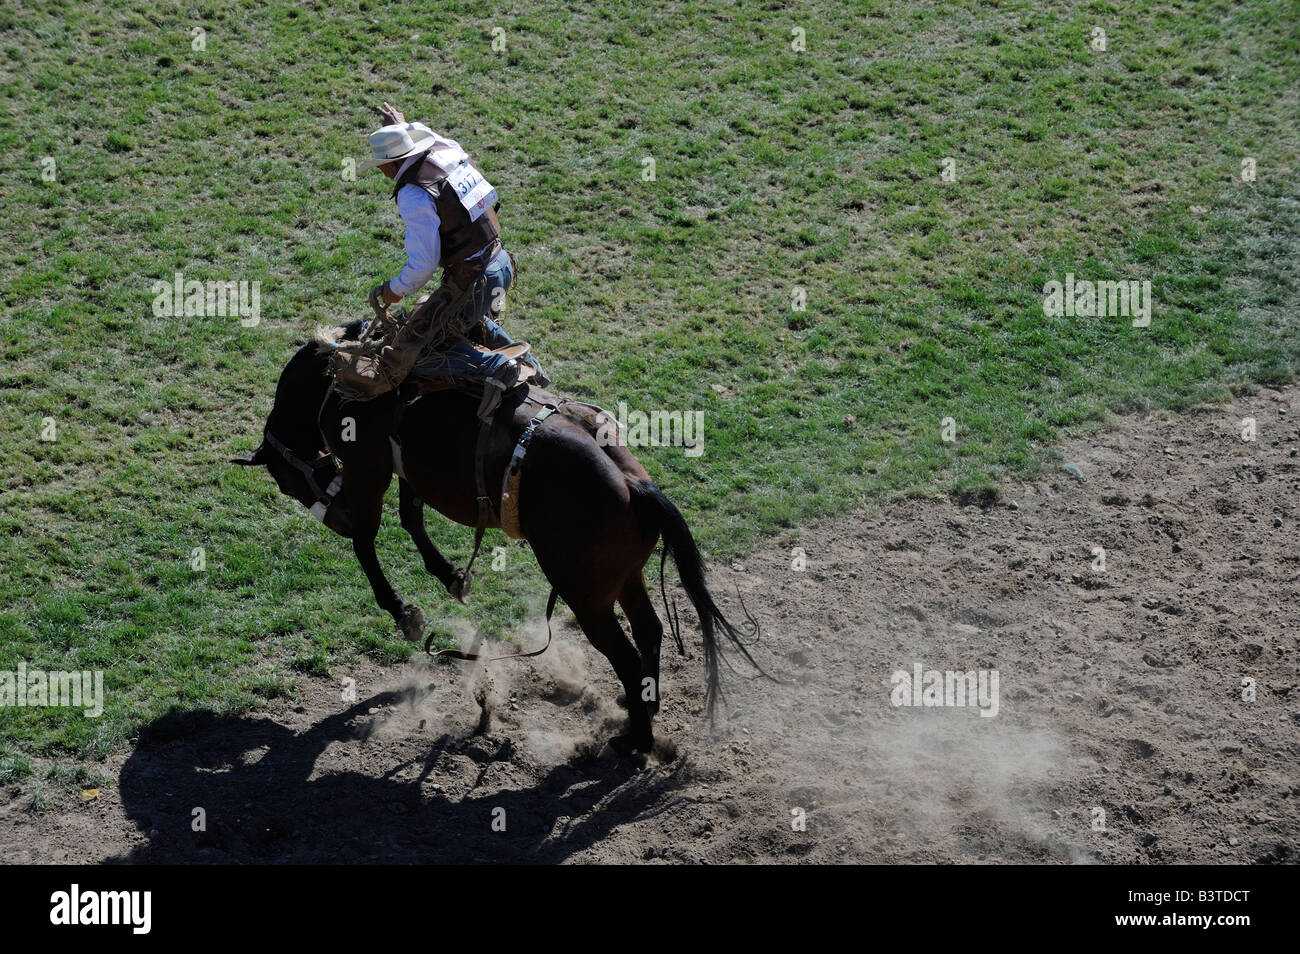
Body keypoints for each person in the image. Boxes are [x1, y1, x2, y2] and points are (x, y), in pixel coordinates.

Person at [331, 102, 547, 403]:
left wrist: (395, 289)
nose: (379, 170)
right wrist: (404, 128)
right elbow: (436, 139)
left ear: (392, 165)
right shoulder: (447, 153)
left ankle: (497, 365)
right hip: (500, 263)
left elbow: (425, 263)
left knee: (412, 352)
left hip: (472, 281)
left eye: (380, 164)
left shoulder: (413, 194)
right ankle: (531, 364)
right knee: (463, 320)